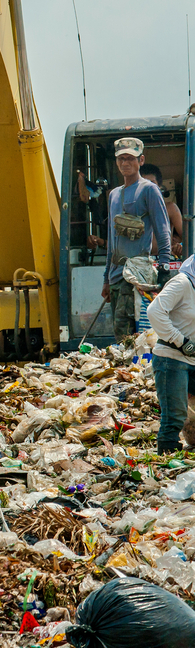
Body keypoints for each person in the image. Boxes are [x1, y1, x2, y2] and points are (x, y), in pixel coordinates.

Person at [102, 137, 172, 341]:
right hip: (116, 277)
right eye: (121, 159)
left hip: (135, 277)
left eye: (130, 158)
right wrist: (106, 278)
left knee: (130, 338)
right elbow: (111, 240)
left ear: (140, 160)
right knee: (120, 337)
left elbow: (162, 229)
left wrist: (164, 267)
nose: (125, 163)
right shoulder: (114, 195)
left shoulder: (149, 189)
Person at [147, 255, 195, 454]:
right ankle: (167, 457)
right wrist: (180, 341)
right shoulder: (183, 283)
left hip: (192, 359)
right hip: (172, 359)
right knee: (174, 416)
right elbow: (154, 311)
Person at [141, 163, 183, 257]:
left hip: (165, 261)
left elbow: (188, 239)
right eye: (144, 184)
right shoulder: (131, 210)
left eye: (152, 183)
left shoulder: (170, 208)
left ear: (159, 186)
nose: (149, 188)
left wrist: (179, 246)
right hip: (138, 262)